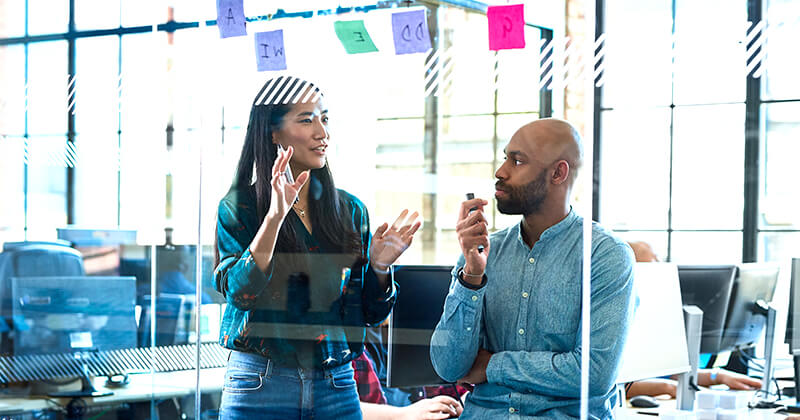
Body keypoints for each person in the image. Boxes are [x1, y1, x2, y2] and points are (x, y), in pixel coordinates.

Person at [214, 75, 421, 420]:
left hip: (336, 383)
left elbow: (370, 314)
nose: (322, 133)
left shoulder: (349, 211)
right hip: (261, 382)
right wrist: (275, 217)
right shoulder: (241, 207)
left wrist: (380, 268)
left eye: (324, 118)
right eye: (306, 119)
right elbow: (241, 293)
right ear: (273, 132)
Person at [430, 118, 636, 419]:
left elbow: (593, 374)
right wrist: (471, 277)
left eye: (518, 161)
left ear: (558, 172)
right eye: (505, 158)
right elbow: (449, 367)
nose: (501, 172)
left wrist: (492, 366)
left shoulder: (605, 256)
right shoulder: (483, 251)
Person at [624, 240, 762, 398]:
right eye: (651, 263)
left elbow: (671, 372)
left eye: (658, 259)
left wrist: (718, 376)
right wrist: (668, 387)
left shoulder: (654, 316)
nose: (659, 265)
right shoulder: (618, 318)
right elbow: (614, 384)